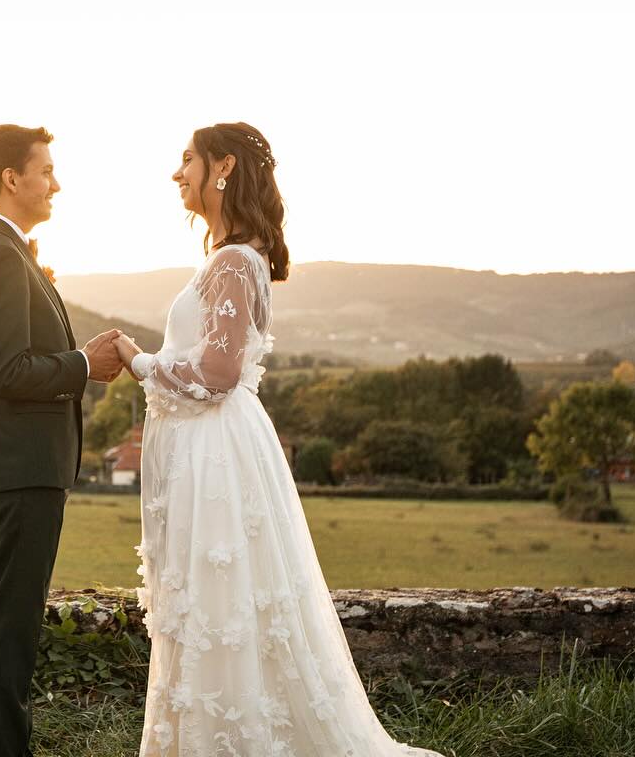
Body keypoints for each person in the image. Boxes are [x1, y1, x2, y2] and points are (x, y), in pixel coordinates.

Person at [109, 122, 444, 757]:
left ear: (223, 167)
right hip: (207, 448)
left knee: (219, 597)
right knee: (216, 600)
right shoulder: (233, 255)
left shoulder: (233, 259)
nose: (177, 173)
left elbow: (216, 373)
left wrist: (138, 359)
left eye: (188, 160)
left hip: (215, 455)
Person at [0, 124, 126, 757]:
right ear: (11, 178)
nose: (56, 182)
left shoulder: (4, 249)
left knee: (13, 629)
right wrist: (84, 365)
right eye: (46, 169)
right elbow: (7, 373)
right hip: (18, 468)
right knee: (9, 633)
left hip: (18, 466)